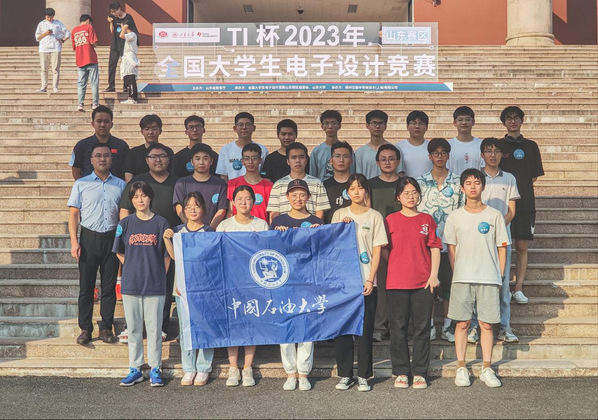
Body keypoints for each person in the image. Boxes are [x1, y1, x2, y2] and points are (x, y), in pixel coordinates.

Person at [443, 169, 509, 388]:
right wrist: (457, 271)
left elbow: (502, 248)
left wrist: (499, 275)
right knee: (462, 323)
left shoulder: (494, 215)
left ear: (483, 186)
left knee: (486, 325)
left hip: (488, 277)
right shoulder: (455, 216)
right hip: (462, 277)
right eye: (468, 183)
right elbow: (451, 248)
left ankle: (487, 367)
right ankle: (461, 367)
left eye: (477, 182)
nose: (473, 186)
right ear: (462, 188)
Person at [332, 174, 388, 392]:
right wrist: (341, 228)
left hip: (366, 278)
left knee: (365, 330)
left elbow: (377, 249)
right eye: (352, 188)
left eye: (360, 188)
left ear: (366, 191)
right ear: (347, 192)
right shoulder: (339, 214)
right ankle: (345, 374)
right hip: (342, 281)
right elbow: (331, 245)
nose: (356, 192)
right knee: (343, 330)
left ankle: (364, 374)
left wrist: (371, 279)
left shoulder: (374, 216)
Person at [119, 142, 180, 341]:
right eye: (153, 156)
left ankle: (161, 325)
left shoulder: (177, 182)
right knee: (135, 286)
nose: (158, 160)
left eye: (162, 156)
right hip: (140, 241)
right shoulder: (138, 181)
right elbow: (125, 209)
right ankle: (131, 326)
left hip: (167, 239)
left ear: (169, 159)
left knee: (164, 283)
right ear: (146, 160)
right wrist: (127, 235)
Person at [67, 143, 126, 345]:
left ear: (111, 159)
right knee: (86, 287)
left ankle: (106, 327)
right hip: (89, 238)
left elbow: (124, 215)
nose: (102, 159)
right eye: (98, 155)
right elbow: (73, 214)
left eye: (106, 155)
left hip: (112, 237)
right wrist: (74, 241)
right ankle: (85, 328)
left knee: (109, 287)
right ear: (91, 160)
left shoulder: (120, 185)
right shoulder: (81, 184)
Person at [386, 177, 442, 389]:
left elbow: (435, 248)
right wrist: (396, 265)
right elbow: (384, 250)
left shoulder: (427, 219)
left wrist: (433, 275)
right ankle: (401, 371)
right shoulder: (390, 220)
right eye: (406, 193)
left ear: (419, 195)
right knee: (398, 328)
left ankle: (419, 372)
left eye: (414, 192)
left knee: (422, 328)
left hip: (423, 282)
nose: (410, 196)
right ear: (398, 197)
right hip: (396, 282)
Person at [113, 181, 171, 387]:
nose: (140, 200)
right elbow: (119, 251)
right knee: (134, 329)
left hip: (155, 284)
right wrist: (131, 266)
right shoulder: (125, 223)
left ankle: (155, 367)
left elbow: (167, 255)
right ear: (131, 200)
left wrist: (159, 274)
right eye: (136, 196)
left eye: (143, 195)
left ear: (150, 197)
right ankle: (135, 368)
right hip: (132, 283)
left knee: (154, 329)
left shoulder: (161, 223)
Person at [271, 180, 323, 391]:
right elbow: (270, 250)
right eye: (294, 195)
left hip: (308, 281)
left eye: (302, 195)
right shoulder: (279, 220)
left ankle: (303, 372)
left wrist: (319, 233)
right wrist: (278, 234)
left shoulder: (315, 220)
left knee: (306, 327)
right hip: (284, 281)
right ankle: (290, 372)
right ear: (287, 197)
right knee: (286, 326)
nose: (298, 199)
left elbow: (322, 251)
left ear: (308, 197)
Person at [217, 185, 270, 387]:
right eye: (239, 199)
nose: (243, 202)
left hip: (253, 282)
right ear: (233, 202)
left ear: (254, 201)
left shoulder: (261, 224)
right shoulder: (224, 226)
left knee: (251, 322)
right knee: (232, 322)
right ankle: (233, 368)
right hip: (230, 281)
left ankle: (247, 367)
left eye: (247, 198)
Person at [471, 137, 520, 344]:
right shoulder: (474, 178)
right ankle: (474, 326)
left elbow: (511, 211)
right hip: (477, 239)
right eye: (488, 151)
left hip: (501, 239)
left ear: (502, 154)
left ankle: (505, 327)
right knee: (475, 283)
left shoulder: (509, 178)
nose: (493, 155)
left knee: (502, 283)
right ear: (482, 155)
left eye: (496, 151)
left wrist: (497, 229)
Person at [163, 192, 215, 386]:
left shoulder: (209, 231)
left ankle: (203, 367)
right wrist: (167, 239)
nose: (193, 210)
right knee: (186, 329)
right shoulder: (178, 231)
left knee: (205, 326)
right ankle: (189, 368)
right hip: (182, 287)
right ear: (183, 210)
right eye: (188, 207)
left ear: (203, 209)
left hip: (204, 287)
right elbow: (174, 256)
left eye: (197, 206)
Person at [416, 138, 464, 342]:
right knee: (426, 288)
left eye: (443, 153)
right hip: (426, 245)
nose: (440, 156)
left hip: (450, 244)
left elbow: (463, 211)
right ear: (429, 156)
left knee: (449, 287)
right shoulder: (419, 182)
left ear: (448, 156)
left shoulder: (458, 181)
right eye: (436, 153)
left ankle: (447, 327)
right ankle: (428, 326)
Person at [499, 106, 544, 305]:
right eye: (509, 118)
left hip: (525, 201)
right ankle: (503, 286)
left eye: (516, 117)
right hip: (503, 202)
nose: (513, 121)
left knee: (521, 245)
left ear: (522, 120)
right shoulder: (498, 146)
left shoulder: (531, 146)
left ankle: (518, 287)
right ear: (504, 122)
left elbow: (534, 176)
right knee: (502, 245)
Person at [368, 144, 402, 343]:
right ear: (377, 163)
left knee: (401, 286)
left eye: (391, 158)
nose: (387, 162)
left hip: (402, 242)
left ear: (398, 161)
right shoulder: (371, 185)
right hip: (378, 243)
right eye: (383, 159)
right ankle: (380, 326)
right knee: (380, 286)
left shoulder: (405, 184)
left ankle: (399, 326)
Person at [267, 142, 330, 223]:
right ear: (288, 161)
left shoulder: (317, 183)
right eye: (293, 158)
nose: (298, 161)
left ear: (306, 160)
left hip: (310, 228)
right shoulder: (278, 185)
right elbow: (274, 212)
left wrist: (315, 227)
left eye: (301, 157)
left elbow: (320, 211)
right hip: (285, 228)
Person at [172, 143, 228, 229]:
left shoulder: (220, 184)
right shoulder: (182, 183)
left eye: (205, 158)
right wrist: (191, 228)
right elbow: (178, 207)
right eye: (197, 158)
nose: (201, 162)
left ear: (211, 161)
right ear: (191, 161)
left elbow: (222, 209)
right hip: (188, 232)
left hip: (213, 232)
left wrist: (209, 230)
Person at [70, 105, 129, 181]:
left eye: (106, 121)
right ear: (92, 124)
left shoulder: (121, 146)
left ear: (111, 124)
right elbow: (76, 172)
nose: (103, 125)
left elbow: (127, 172)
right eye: (99, 121)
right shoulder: (82, 146)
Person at [216, 112, 268, 181]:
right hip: (233, 187)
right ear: (235, 128)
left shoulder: (263, 150)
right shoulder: (225, 150)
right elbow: (223, 176)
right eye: (240, 124)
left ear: (254, 128)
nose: (244, 127)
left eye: (248, 124)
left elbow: (264, 174)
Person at [227, 143, 273, 222]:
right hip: (238, 228)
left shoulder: (269, 186)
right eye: (247, 158)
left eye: (254, 158)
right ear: (242, 161)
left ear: (260, 160)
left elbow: (271, 213)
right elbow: (230, 211)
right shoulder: (232, 184)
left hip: (261, 228)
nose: (250, 162)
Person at [123, 115, 173, 182]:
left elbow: (172, 173)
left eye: (154, 129)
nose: (150, 132)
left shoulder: (167, 151)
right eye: (147, 129)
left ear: (160, 131)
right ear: (142, 132)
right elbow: (129, 175)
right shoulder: (133, 153)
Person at [310, 110, 354, 181]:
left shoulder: (346, 150)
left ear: (339, 126)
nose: (330, 126)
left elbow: (352, 172)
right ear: (322, 126)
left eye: (333, 123)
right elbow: (312, 176)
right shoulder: (316, 151)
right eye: (326, 123)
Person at [35, 7, 70, 93]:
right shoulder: (41, 24)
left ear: (53, 16)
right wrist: (46, 33)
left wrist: (63, 40)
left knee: (55, 69)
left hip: (56, 48)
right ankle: (44, 87)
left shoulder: (58, 23)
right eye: (48, 17)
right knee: (44, 69)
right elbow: (37, 37)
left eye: (51, 17)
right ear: (45, 16)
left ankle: (55, 87)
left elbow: (68, 33)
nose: (49, 19)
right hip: (44, 48)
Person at [105, 2, 138, 92]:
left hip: (125, 45)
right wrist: (111, 22)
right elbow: (112, 30)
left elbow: (133, 31)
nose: (113, 13)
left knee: (125, 66)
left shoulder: (128, 17)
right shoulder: (113, 18)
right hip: (115, 44)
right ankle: (111, 86)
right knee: (112, 65)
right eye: (112, 12)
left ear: (119, 8)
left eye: (114, 11)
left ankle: (125, 86)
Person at [355, 110, 394, 179]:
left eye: (381, 123)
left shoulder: (394, 151)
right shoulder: (360, 153)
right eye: (374, 123)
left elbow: (399, 176)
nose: (377, 126)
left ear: (385, 126)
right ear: (367, 125)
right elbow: (358, 178)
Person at [71, 14, 99, 112]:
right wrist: (95, 44)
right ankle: (95, 103)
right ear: (88, 21)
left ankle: (80, 103)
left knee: (81, 83)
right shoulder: (89, 27)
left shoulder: (74, 30)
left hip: (80, 60)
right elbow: (93, 42)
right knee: (94, 82)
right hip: (91, 58)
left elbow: (74, 47)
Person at [395, 111, 433, 178]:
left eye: (421, 123)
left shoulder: (432, 147)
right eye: (413, 123)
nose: (417, 126)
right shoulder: (398, 147)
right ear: (407, 126)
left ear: (426, 127)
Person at [447, 106, 483, 175]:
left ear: (473, 122)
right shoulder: (448, 145)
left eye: (467, 119)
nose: (464, 122)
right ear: (455, 123)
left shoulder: (481, 144)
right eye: (460, 120)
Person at [323, 142, 353, 224]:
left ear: (351, 161)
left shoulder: (357, 184)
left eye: (345, 156)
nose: (341, 160)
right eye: (337, 156)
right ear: (331, 161)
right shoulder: (324, 186)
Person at [119, 22, 139, 104]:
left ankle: (132, 98)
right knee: (127, 77)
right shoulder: (130, 35)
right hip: (127, 58)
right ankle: (130, 96)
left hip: (130, 58)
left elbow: (121, 36)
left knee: (130, 77)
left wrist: (124, 28)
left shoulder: (132, 34)